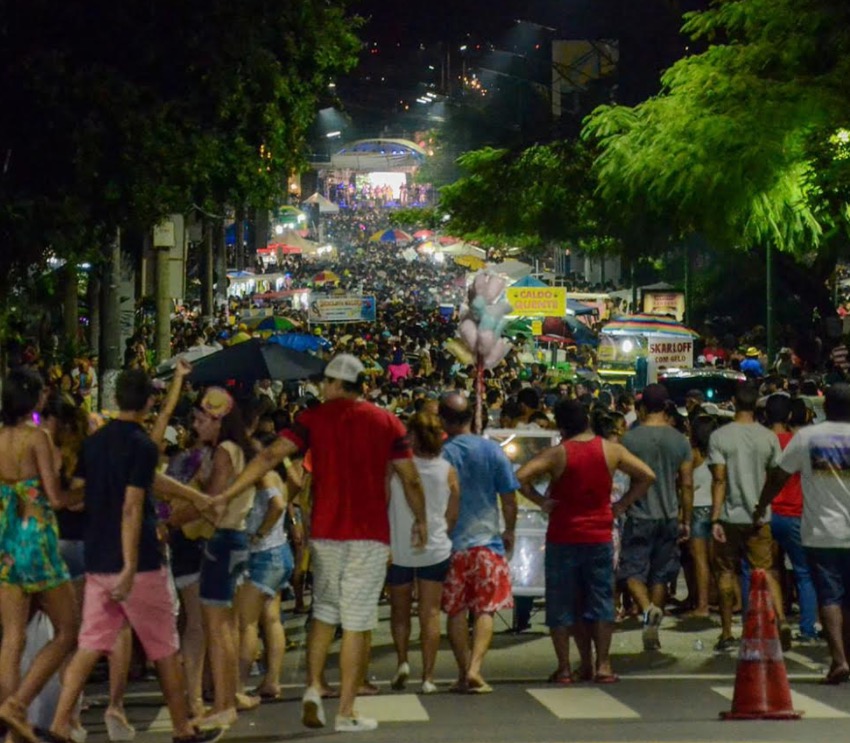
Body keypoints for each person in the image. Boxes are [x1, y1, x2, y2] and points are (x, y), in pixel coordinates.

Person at [212, 354, 427, 733]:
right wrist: (422, 519)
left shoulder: (312, 420)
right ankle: (346, 709)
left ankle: (313, 686)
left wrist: (230, 490)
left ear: (334, 384)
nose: (321, 389)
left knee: (325, 613)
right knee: (358, 623)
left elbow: (270, 456)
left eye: (324, 382)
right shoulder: (387, 422)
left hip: (326, 532)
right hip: (369, 535)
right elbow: (410, 478)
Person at [45, 369, 223, 743]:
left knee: (90, 644)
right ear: (147, 403)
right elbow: (133, 504)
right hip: (138, 562)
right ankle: (182, 727)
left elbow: (83, 490)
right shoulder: (141, 446)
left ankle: (61, 723)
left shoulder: (94, 444)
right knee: (163, 647)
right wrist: (129, 565)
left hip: (97, 558)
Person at [516, 399, 655, 684]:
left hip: (563, 535)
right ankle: (602, 665)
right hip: (599, 534)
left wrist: (542, 501)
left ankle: (566, 667)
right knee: (601, 601)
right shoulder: (611, 450)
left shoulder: (558, 453)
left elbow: (520, 476)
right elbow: (646, 475)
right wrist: (622, 504)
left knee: (563, 603)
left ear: (563, 425)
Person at [0, 370, 79, 743]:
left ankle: (13, 731)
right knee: (67, 630)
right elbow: (56, 497)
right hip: (38, 541)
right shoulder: (38, 438)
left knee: (12, 636)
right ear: (32, 398)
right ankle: (17, 703)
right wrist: (88, 491)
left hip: (6, 540)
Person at [755, 383, 850, 683]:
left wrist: (761, 505)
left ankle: (839, 659)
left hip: (821, 531)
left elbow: (778, 475)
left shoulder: (807, 438)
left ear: (825, 408)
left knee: (830, 596)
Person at [438, 392, 518, 694]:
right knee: (485, 609)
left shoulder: (443, 454)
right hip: (488, 543)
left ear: (443, 420)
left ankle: (462, 672)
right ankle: (475, 669)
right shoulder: (492, 451)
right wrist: (509, 529)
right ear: (472, 416)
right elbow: (508, 498)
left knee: (456, 610)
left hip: (452, 544)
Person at [709, 382, 789, 653]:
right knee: (766, 571)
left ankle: (727, 631)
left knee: (726, 572)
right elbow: (777, 475)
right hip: (759, 517)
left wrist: (715, 518)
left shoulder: (720, 436)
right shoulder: (768, 438)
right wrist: (763, 503)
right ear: (757, 405)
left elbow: (719, 480)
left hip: (730, 516)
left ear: (733, 402)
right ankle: (780, 620)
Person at [387, 412, 459, 694]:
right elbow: (453, 513)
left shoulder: (396, 468)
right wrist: (442, 531)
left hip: (398, 547)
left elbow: (384, 500)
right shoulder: (447, 470)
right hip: (436, 548)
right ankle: (428, 677)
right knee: (430, 614)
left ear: (412, 437)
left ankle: (402, 661)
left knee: (399, 611)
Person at [618, 384, 693, 651]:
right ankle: (652, 626)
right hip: (669, 514)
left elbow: (620, 478)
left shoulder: (630, 440)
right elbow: (686, 483)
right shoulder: (680, 440)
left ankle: (648, 609)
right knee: (661, 574)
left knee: (631, 570)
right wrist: (686, 518)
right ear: (666, 408)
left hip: (639, 513)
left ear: (642, 408)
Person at [763, 394, 819, 644]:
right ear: (788, 416)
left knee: (766, 569)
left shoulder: (763, 441)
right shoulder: (800, 442)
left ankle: (773, 620)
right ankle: (807, 629)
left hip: (767, 513)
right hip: (796, 513)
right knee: (803, 573)